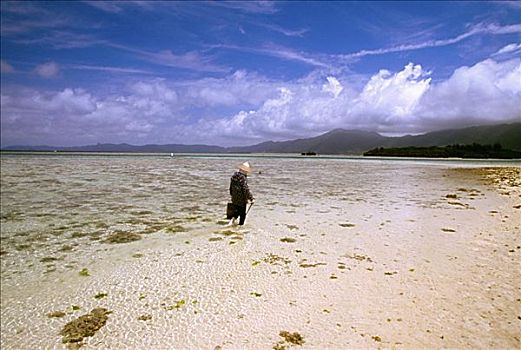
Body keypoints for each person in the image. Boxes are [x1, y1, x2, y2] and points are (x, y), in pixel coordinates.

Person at [228, 161, 254, 226]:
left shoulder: (233, 176)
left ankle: (231, 222)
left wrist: (232, 195)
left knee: (236, 212)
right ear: (245, 171)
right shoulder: (243, 178)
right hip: (242, 199)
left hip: (234, 198)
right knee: (242, 214)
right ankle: (240, 228)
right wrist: (251, 198)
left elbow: (230, 188)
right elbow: (245, 189)